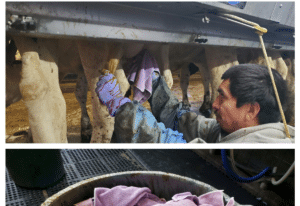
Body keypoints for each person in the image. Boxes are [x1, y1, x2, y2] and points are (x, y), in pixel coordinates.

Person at [95, 64, 294, 143]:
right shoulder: (241, 128)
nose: (213, 105)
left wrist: (121, 106)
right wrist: (155, 83)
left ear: (251, 109)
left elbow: (163, 142)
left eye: (222, 97)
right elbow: (188, 123)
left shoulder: (247, 149)